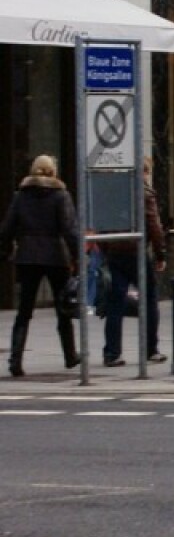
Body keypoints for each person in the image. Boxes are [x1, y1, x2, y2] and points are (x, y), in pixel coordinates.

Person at [0, 155, 80, 376]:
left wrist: (5, 250)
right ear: (53, 172)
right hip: (56, 256)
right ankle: (70, 355)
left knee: (24, 311)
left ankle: (15, 360)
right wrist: (78, 256)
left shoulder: (20, 196)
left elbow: (7, 227)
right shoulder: (60, 196)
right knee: (63, 307)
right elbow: (69, 229)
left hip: (27, 256)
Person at [101, 156, 167, 367]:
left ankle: (112, 353)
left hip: (115, 250)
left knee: (115, 302)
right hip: (137, 252)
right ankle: (151, 349)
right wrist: (160, 254)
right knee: (149, 299)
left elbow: (103, 223)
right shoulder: (145, 194)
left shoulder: (112, 193)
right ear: (146, 172)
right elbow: (154, 226)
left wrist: (106, 249)